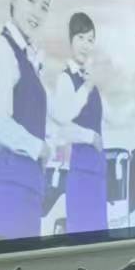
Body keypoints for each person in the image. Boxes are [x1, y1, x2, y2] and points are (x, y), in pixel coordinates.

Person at [0, 0, 53, 239]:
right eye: (30, 0)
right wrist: (39, 148)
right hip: (12, 194)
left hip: (27, 190)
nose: (37, 12)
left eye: (44, 7)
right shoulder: (2, 48)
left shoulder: (29, 57)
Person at [48, 12, 105, 234]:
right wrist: (90, 137)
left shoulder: (89, 80)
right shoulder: (66, 79)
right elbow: (61, 123)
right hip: (82, 171)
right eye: (81, 37)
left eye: (90, 39)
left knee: (100, 237)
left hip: (97, 171)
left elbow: (111, 116)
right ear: (70, 40)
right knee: (84, 235)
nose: (85, 45)